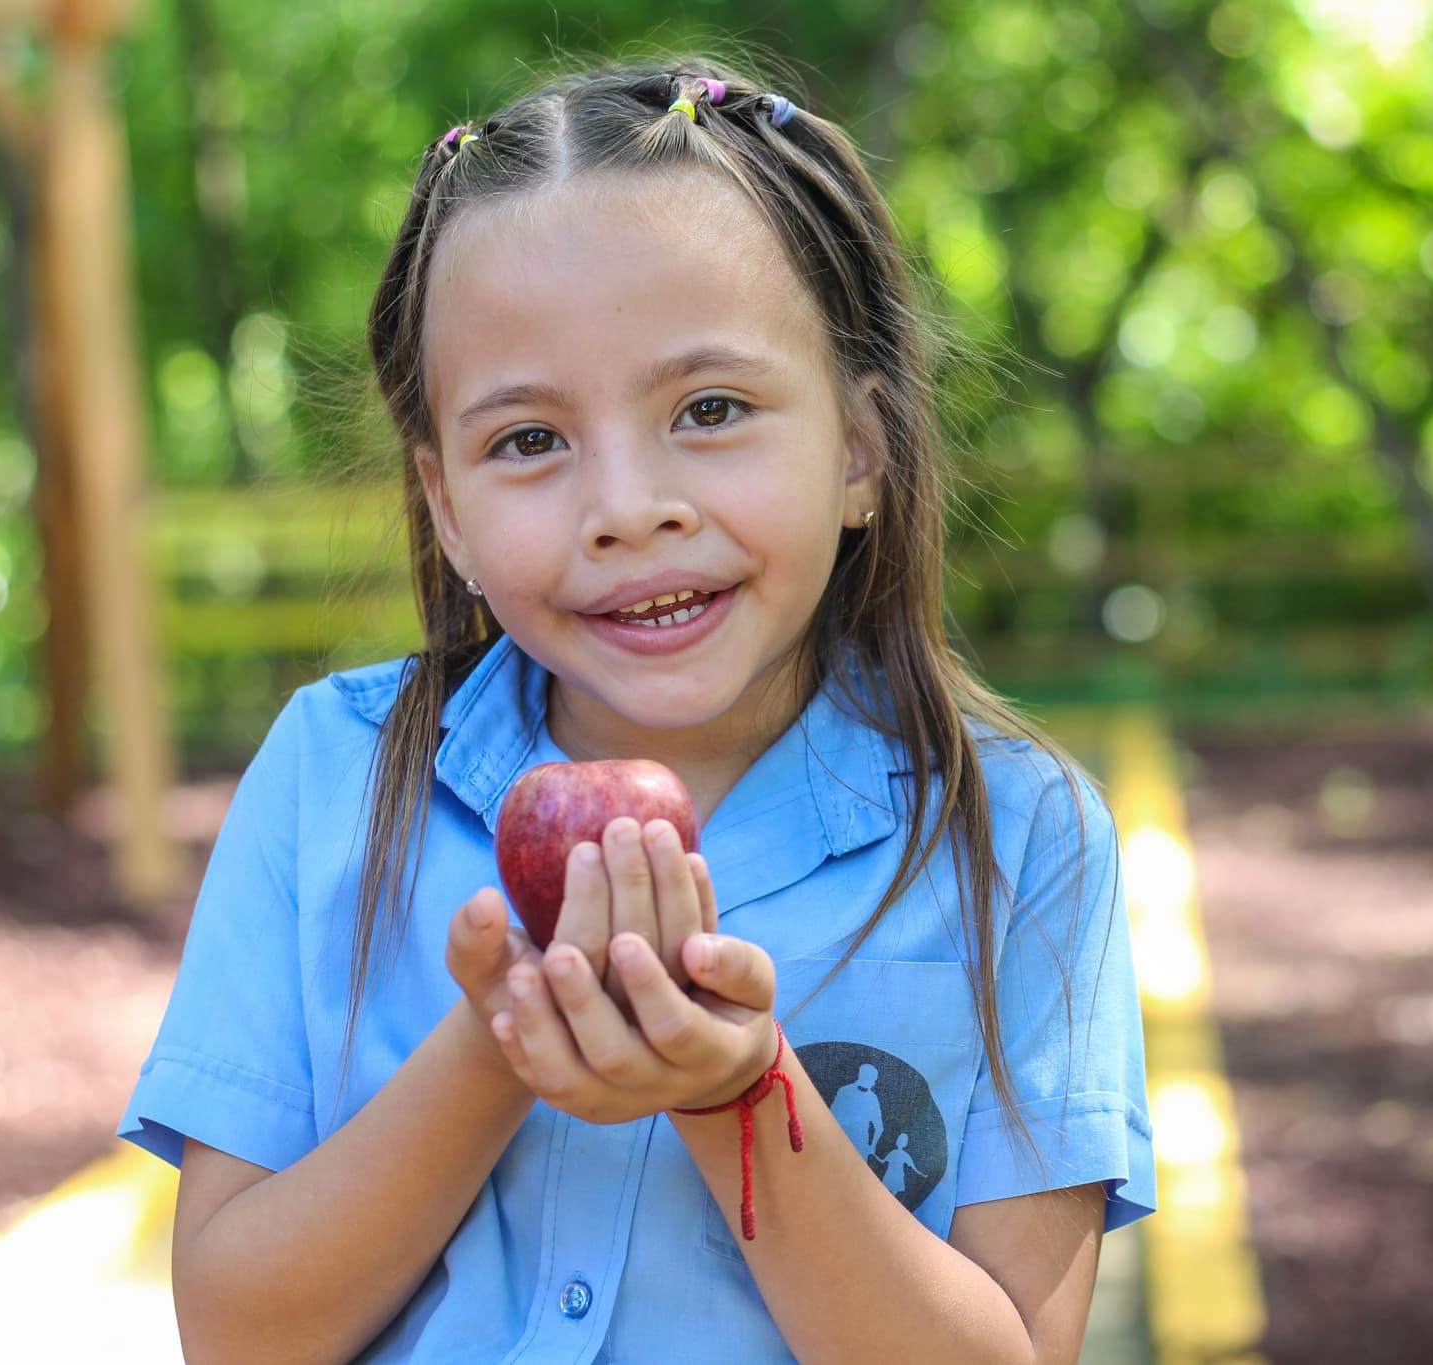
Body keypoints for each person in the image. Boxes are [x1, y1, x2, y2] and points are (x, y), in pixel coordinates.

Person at [118, 57, 1153, 1364]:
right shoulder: (330, 775)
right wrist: (505, 1043)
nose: (626, 505)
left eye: (709, 409)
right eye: (529, 441)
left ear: (859, 449)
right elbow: (237, 1336)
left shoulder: (1018, 837)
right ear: (447, 507)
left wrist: (739, 1094)